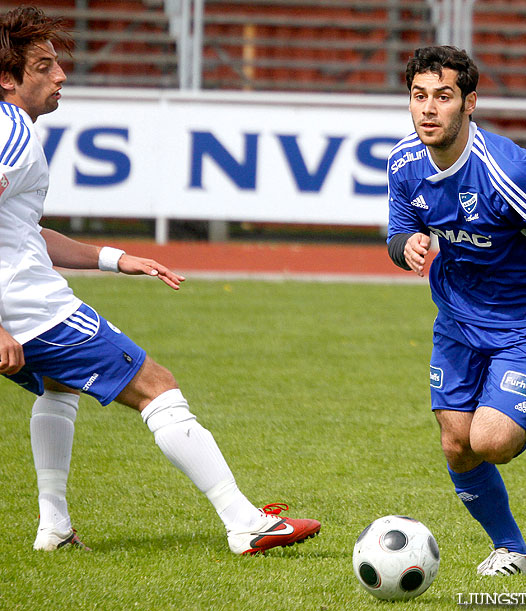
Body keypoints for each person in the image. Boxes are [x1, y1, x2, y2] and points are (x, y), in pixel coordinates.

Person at [0, 5, 320, 555]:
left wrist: (117, 258)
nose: (61, 75)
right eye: (44, 65)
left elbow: (25, 232)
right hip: (34, 311)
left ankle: (53, 526)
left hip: (22, 308)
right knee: (157, 386)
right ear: (8, 78)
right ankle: (245, 522)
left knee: (59, 387)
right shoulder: (13, 134)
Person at [387, 46, 526, 576]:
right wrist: (404, 243)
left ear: (470, 103)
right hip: (457, 316)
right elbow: (398, 226)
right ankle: (513, 550)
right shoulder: (404, 163)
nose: (429, 109)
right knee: (457, 445)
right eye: (419, 96)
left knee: (492, 443)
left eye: (444, 97)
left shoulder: (507, 171)